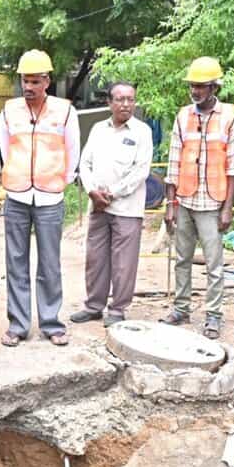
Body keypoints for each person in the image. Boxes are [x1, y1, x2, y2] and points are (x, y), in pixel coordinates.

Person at [0, 49, 80, 347]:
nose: (28, 87)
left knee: (49, 264)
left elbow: (73, 151)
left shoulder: (65, 111)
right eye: (24, 81)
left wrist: (61, 181)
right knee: (15, 263)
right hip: (17, 196)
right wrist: (18, 178)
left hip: (50, 198)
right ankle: (18, 325)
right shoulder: (9, 110)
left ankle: (51, 323)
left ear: (47, 80)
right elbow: (6, 151)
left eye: (34, 81)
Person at [161, 57, 234, 339]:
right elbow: (173, 161)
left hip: (213, 202)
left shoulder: (230, 116)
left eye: (200, 86)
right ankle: (181, 309)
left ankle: (213, 316)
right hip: (184, 198)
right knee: (181, 258)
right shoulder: (183, 116)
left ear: (213, 87)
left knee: (214, 264)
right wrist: (170, 205)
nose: (195, 91)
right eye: (192, 86)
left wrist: (227, 208)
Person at [70, 82, 153, 328]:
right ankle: (94, 306)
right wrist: (92, 191)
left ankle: (117, 309)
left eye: (130, 99)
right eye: (120, 99)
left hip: (127, 208)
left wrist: (112, 194)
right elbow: (85, 164)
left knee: (124, 262)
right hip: (97, 207)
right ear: (109, 102)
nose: (126, 104)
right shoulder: (98, 129)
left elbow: (141, 171)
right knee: (95, 259)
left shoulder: (142, 132)